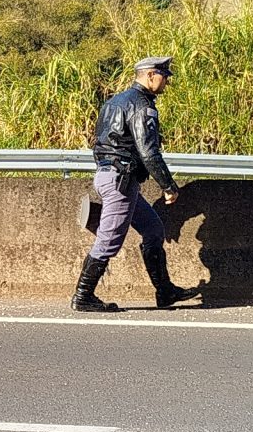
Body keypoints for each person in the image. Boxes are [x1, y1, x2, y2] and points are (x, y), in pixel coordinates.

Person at [73, 55, 202, 314]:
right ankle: (83, 296)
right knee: (109, 241)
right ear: (151, 75)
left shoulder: (114, 102)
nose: (166, 82)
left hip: (110, 176)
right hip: (121, 181)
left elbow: (99, 142)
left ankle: (165, 291)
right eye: (164, 76)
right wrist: (168, 185)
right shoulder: (143, 106)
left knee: (153, 229)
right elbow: (148, 152)